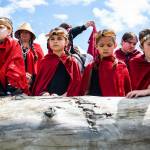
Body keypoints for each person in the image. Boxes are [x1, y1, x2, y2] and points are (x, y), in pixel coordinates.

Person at [79, 29, 131, 96]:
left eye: (109, 45)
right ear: (96, 46)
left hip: (113, 105)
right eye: (101, 45)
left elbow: (127, 92)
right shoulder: (90, 67)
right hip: (92, 104)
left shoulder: (121, 66)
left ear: (115, 45)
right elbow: (82, 91)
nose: (105, 48)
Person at [32, 27, 81, 96]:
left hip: (66, 99)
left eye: (59, 38)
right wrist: (44, 93)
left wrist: (65, 95)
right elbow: (40, 85)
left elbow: (76, 85)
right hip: (46, 100)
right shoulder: (45, 61)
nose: (55, 41)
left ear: (66, 42)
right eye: (52, 39)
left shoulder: (71, 61)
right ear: (49, 42)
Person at [0, 17, 28, 96]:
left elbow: (15, 64)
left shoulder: (14, 44)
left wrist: (12, 83)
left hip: (10, 83)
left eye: (1, 27)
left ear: (9, 31)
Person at [14, 22, 44, 92]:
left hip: (34, 79)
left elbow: (41, 64)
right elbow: (10, 63)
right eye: (22, 32)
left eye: (26, 32)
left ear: (30, 35)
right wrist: (21, 74)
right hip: (16, 78)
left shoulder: (37, 47)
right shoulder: (13, 46)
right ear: (19, 34)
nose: (24, 34)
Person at [126, 29, 150, 98]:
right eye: (149, 44)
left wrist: (147, 91)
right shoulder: (134, 63)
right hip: (135, 103)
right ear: (142, 47)